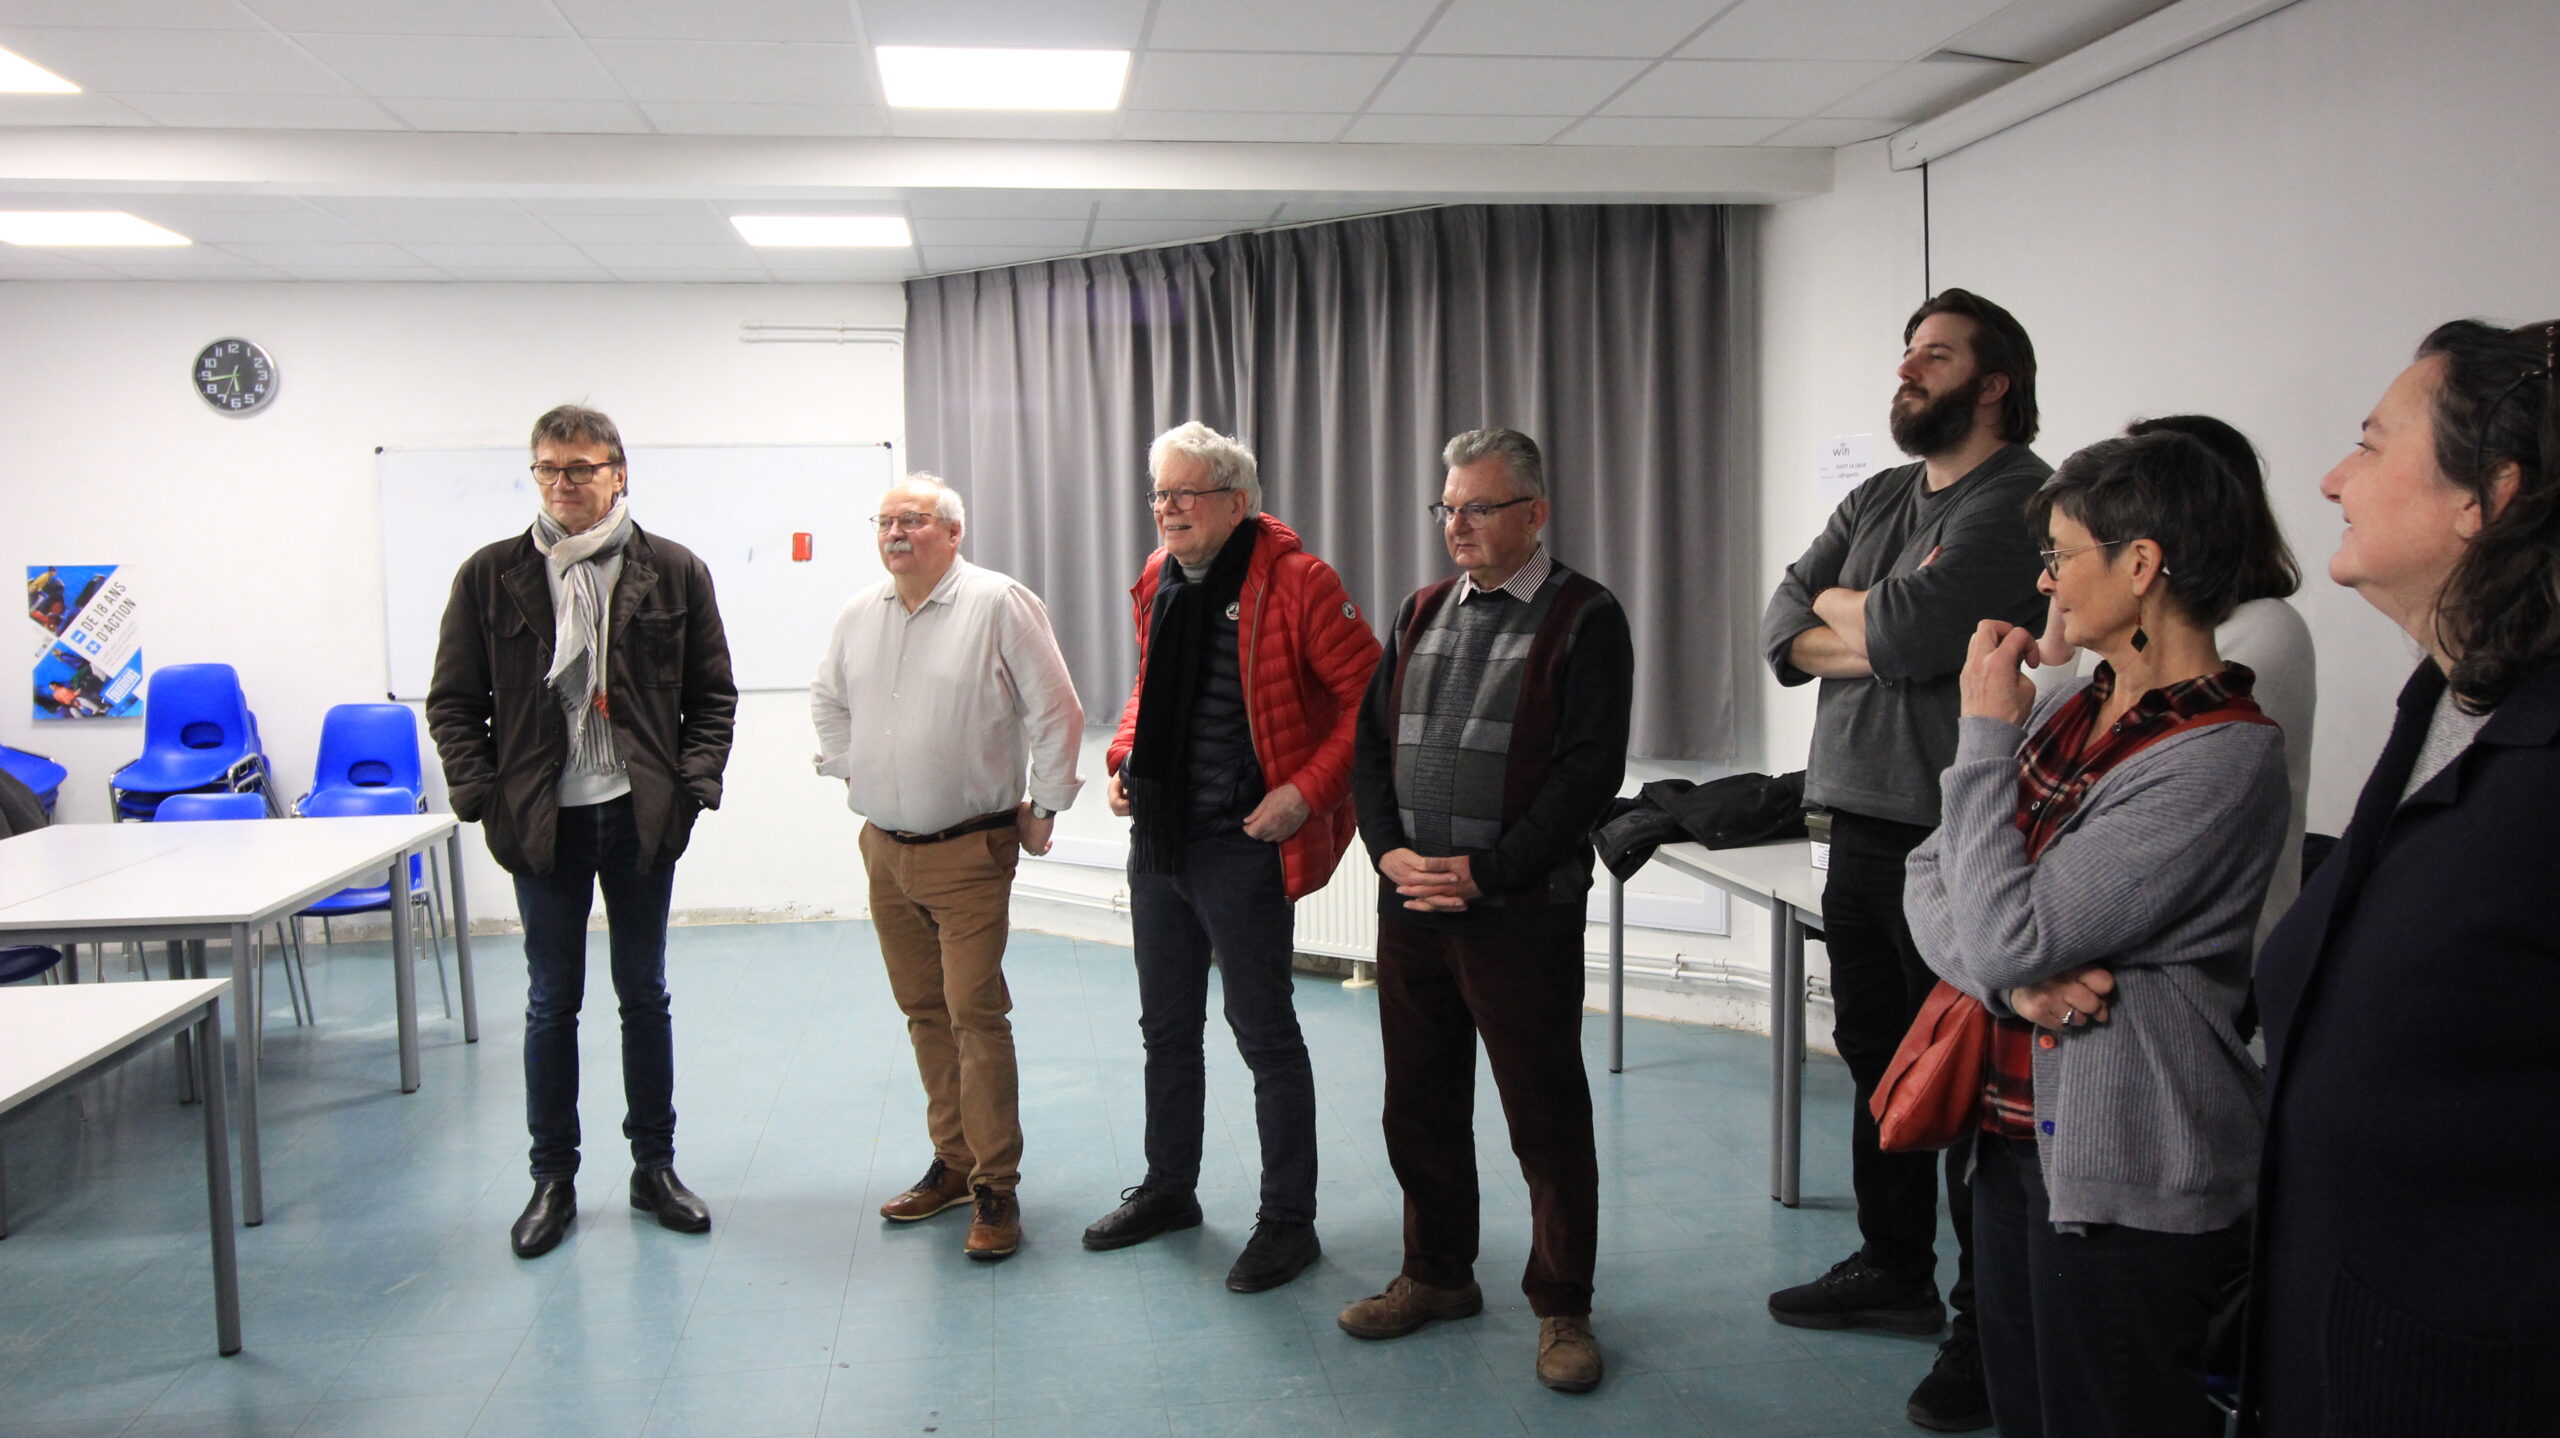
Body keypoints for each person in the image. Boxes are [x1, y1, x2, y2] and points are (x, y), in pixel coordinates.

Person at [1907, 432, 2290, 1437]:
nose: (2045, 580)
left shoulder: (2219, 758)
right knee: (2027, 1411)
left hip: (2126, 1173)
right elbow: (1929, 873)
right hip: (2012, 1140)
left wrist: (1984, 733)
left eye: (2061, 554)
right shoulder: (2075, 706)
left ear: (2140, 564)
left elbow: (2006, 925)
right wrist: (2012, 986)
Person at [2242, 319, 2560, 1437]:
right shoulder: (2446, 697)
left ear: (2488, 497)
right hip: (2339, 1331)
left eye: (2372, 444)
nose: (2334, 477)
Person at [1759, 288, 2051, 1430]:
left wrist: (1869, 622)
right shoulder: (1881, 495)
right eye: (1906, 353)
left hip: (1954, 838)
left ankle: (1983, 1331)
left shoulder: (2018, 499)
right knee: (1880, 1061)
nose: (1907, 371)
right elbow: (1782, 624)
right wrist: (1874, 625)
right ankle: (1893, 1266)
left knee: (1967, 1084)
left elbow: (1915, 633)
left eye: (1935, 355)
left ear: (1993, 382)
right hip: (1854, 823)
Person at [1338, 427, 1632, 1394]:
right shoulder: (1421, 610)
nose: (1456, 525)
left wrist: (1489, 872)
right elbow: (1370, 746)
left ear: (1534, 514)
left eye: (1479, 507)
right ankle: (1437, 1274)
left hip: (1521, 915)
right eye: (1448, 507)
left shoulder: (1586, 617)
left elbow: (1587, 775)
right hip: (1414, 912)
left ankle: (1562, 1306)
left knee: (1544, 1118)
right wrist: (1387, 851)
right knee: (1417, 1105)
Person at [428, 404, 736, 1259]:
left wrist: (691, 790)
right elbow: (454, 702)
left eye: (581, 467)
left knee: (644, 994)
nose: (563, 483)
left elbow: (712, 695)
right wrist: (482, 796)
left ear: (618, 474)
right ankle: (552, 1180)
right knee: (550, 1000)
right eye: (548, 468)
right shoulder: (491, 576)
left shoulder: (673, 570)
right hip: (540, 819)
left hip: (639, 814)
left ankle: (653, 1168)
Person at [1084, 421, 1380, 1294]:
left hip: (1243, 846)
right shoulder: (1158, 577)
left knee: (1265, 1037)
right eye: (1159, 493)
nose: (1167, 509)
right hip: (1161, 841)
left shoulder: (1299, 582)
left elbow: (1371, 699)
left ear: (1237, 501)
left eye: (1185, 493)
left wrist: (1307, 793)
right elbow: (1147, 687)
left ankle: (1288, 1221)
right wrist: (1123, 758)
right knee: (1167, 1029)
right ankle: (1169, 1188)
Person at [810, 473, 1084, 1262]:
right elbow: (828, 698)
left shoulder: (998, 604)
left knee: (975, 1015)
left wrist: (1046, 806)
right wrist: (853, 768)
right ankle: (954, 1163)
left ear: (953, 533)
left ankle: (997, 1185)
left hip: (970, 850)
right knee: (925, 1012)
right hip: (884, 850)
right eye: (885, 520)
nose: (896, 533)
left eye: (914, 520)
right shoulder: (859, 614)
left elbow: (1056, 710)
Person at [2123, 414, 2316, 943]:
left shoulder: (2268, 627)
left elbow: (2131, 771)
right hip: (2132, 930)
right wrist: (2060, 629)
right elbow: (2036, 755)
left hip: (2219, 951)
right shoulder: (2132, 626)